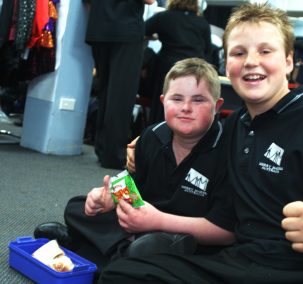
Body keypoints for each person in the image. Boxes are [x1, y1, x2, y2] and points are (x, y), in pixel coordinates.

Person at [98, 3, 303, 283]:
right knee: (123, 275)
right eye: (239, 53)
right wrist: (148, 139)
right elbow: (192, 130)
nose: (251, 61)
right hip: (246, 260)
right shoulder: (236, 126)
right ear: (226, 64)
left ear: (289, 61)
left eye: (265, 51)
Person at [34, 58, 235, 275]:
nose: (186, 108)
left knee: (159, 246)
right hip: (140, 225)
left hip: (185, 234)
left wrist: (158, 221)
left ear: (217, 107)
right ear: (163, 101)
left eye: (198, 100)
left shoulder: (227, 152)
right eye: (176, 98)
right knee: (77, 207)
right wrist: (110, 195)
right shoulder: (152, 136)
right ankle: (124, 258)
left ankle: (90, 250)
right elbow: (131, 185)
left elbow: (227, 233)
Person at [85, 0, 155, 169]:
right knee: (121, 96)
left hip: (99, 27)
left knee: (105, 91)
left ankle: (102, 149)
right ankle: (113, 155)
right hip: (126, 29)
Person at [144, 0, 213, 124]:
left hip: (168, 69)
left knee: (164, 107)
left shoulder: (164, 17)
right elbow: (208, 50)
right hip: (195, 71)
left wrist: (153, 37)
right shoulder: (202, 23)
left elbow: (141, 30)